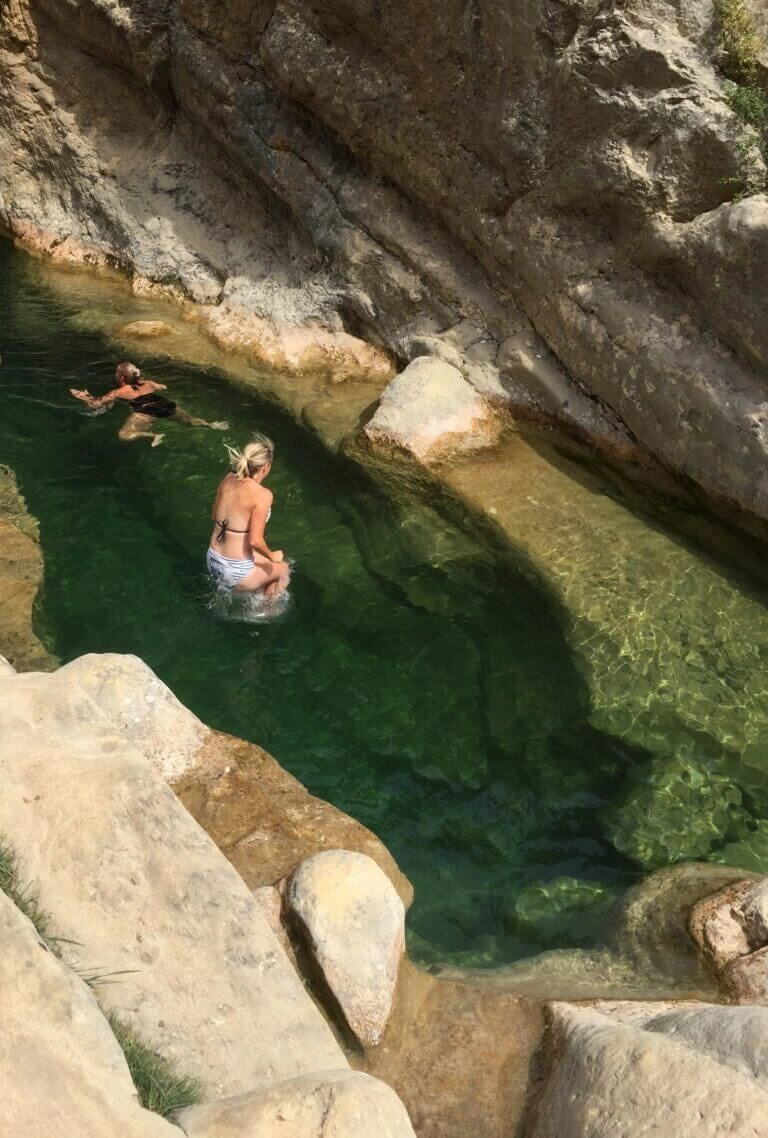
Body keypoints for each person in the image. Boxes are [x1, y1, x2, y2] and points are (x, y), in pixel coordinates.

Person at [207, 435, 290, 599]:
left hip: (213, 561)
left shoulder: (228, 478)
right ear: (266, 467)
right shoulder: (263, 495)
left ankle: (258, 588)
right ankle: (266, 611)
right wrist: (273, 555)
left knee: (263, 562)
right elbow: (255, 541)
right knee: (283, 568)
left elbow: (214, 514)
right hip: (235, 573)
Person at [70, 361, 228, 446]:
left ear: (122, 378)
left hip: (146, 412)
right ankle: (211, 425)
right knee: (190, 421)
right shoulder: (149, 383)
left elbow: (97, 405)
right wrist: (153, 386)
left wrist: (84, 397)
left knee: (124, 435)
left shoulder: (117, 392)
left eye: (117, 375)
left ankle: (154, 435)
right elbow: (162, 387)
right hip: (164, 404)